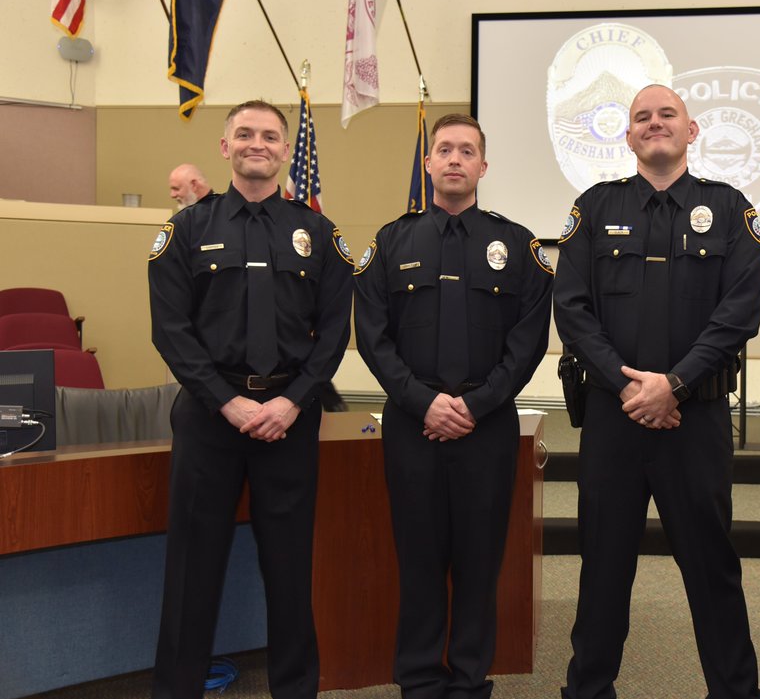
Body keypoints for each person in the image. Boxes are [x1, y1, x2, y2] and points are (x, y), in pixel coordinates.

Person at [555, 84, 760, 699]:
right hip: (613, 418)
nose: (654, 124)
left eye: (666, 115)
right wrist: (632, 387)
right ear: (627, 136)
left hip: (693, 419)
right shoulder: (593, 208)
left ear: (691, 131)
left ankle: (736, 691)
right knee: (603, 566)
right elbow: (572, 309)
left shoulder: (729, 210)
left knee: (711, 568)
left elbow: (739, 312)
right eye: (641, 117)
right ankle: (588, 690)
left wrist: (673, 384)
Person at [147, 100, 354, 699]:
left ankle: (295, 690)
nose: (256, 143)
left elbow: (334, 331)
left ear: (286, 150)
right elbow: (171, 331)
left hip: (289, 419)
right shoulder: (186, 230)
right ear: (225, 146)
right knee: (192, 569)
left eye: (269, 135)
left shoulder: (318, 233)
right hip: (210, 419)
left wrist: (291, 402)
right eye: (244, 134)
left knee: (290, 570)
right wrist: (226, 403)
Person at [353, 113, 553, 699]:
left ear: (483, 166)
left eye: (468, 150)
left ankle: (468, 681)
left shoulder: (518, 245)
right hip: (412, 430)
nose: (455, 159)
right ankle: (418, 680)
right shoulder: (391, 242)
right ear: (429, 163)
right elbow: (373, 337)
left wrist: (474, 405)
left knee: (478, 563)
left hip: (486, 430)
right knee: (418, 562)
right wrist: (422, 403)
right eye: (445, 149)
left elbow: (527, 341)